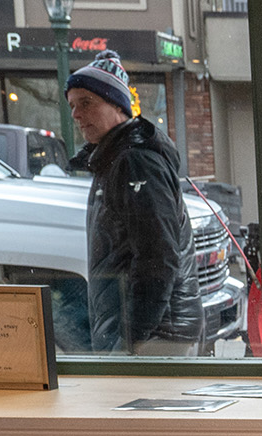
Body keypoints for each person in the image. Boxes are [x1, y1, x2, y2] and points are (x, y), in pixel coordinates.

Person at [65, 51, 202, 355]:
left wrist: (129, 341)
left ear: (117, 105)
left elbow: (158, 257)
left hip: (156, 337)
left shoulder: (135, 162)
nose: (76, 114)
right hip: (150, 332)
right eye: (72, 105)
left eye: (86, 103)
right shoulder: (113, 160)